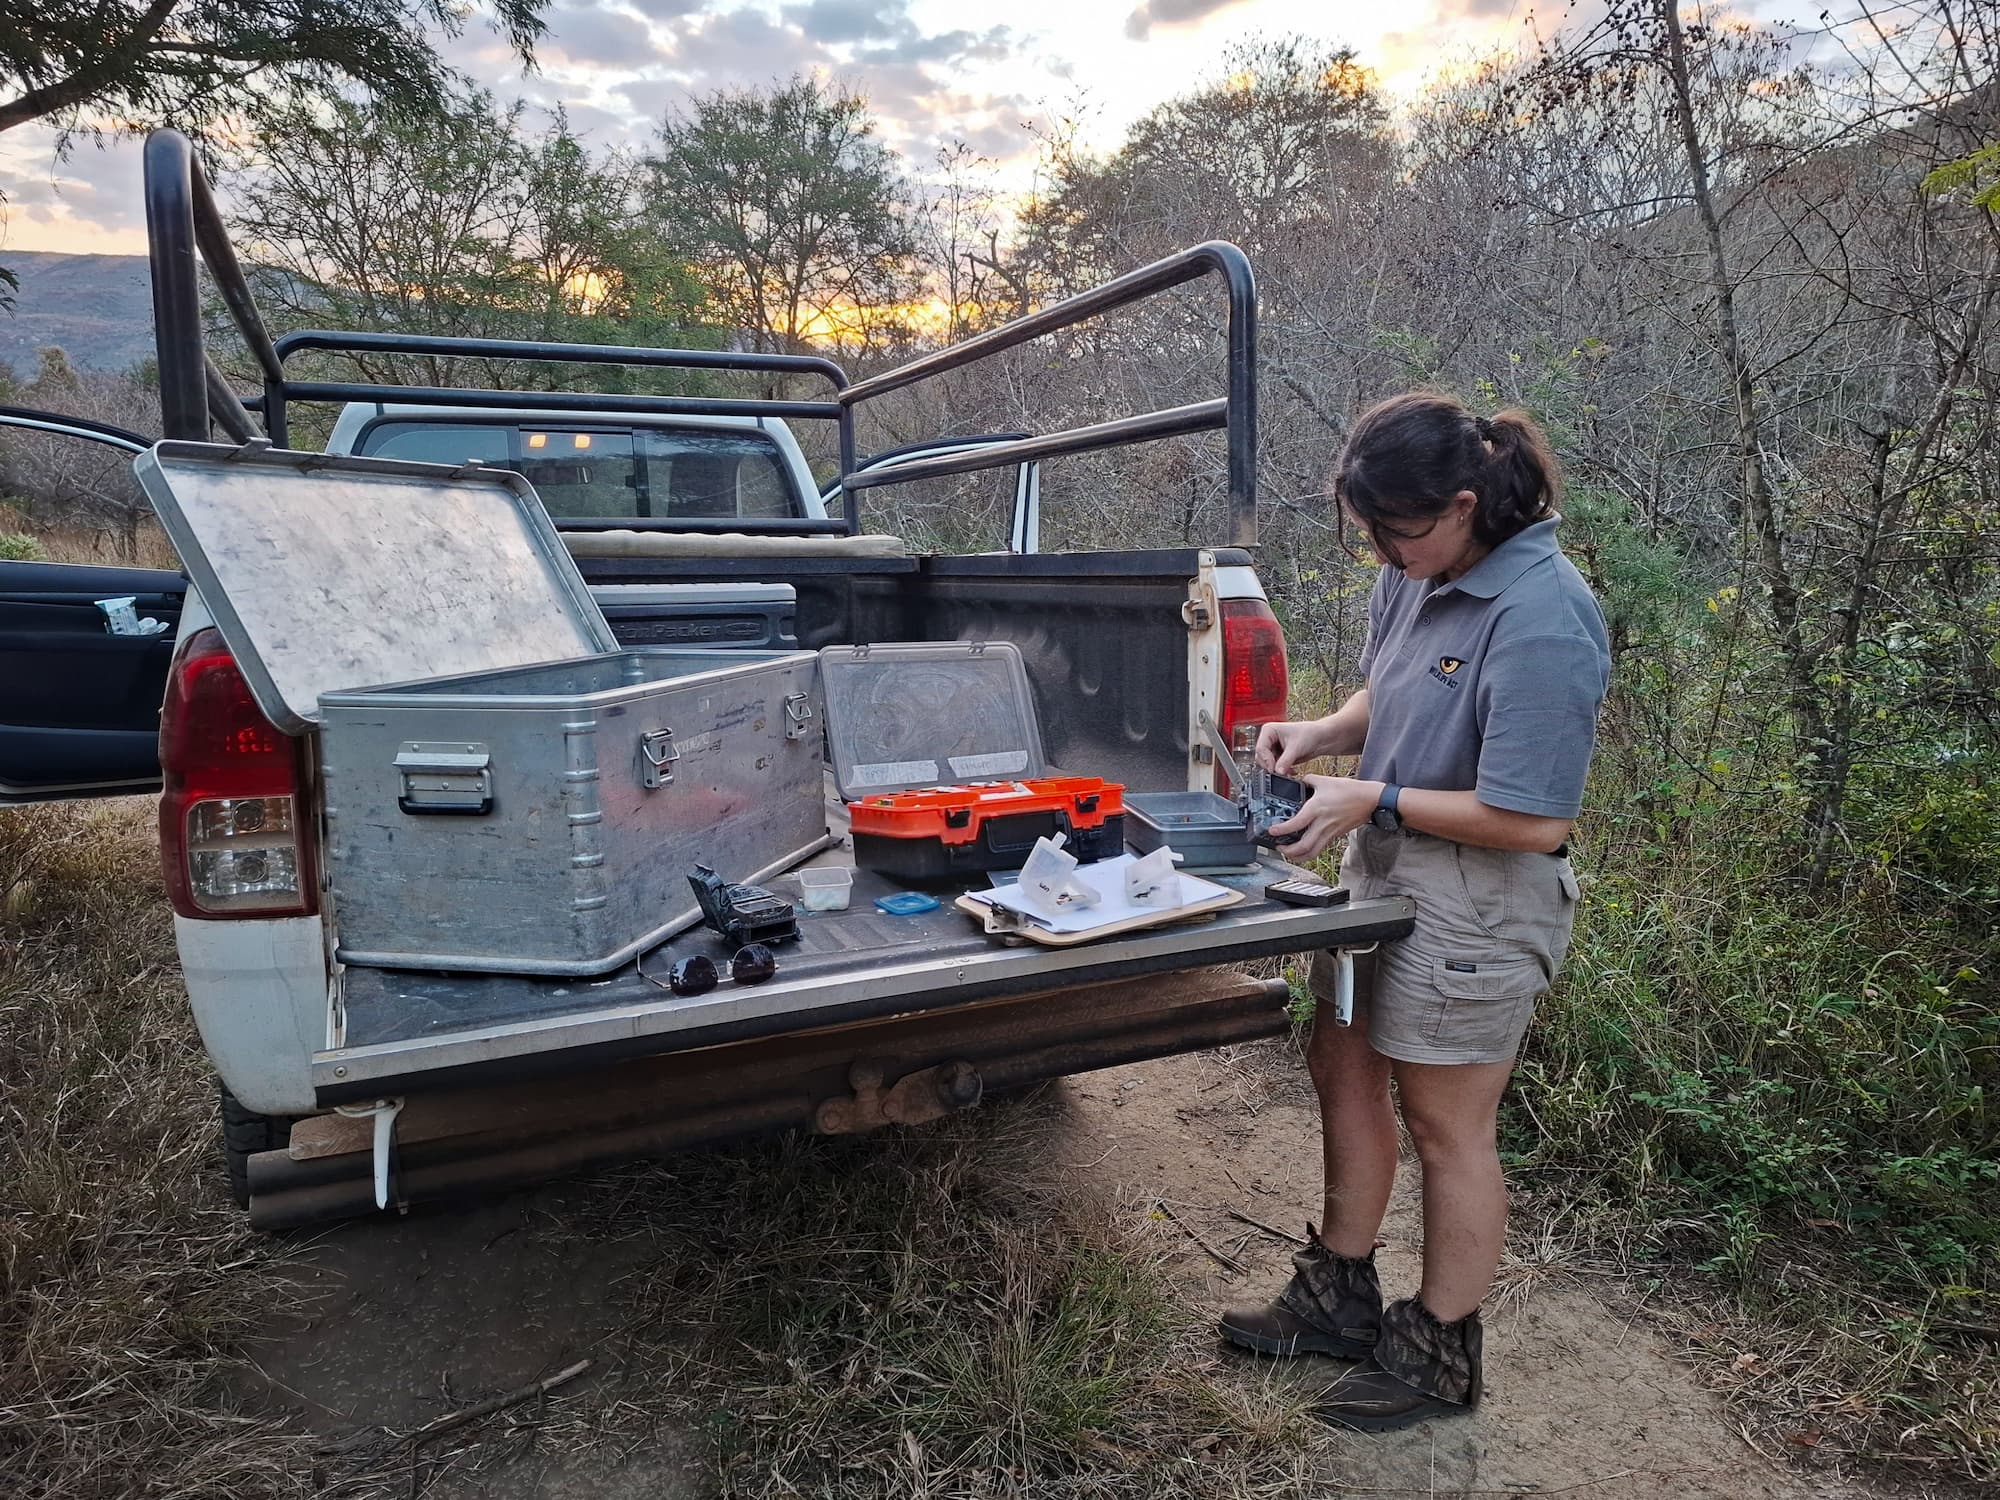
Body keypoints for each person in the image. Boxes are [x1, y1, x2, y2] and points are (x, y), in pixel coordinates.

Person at [1218, 392, 1610, 1431]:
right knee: (1339, 1062)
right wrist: (1316, 734)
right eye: (1372, 539)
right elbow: (1388, 694)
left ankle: (1437, 1350)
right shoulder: (1417, 573)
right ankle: (1337, 1295)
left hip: (1481, 897)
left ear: (1466, 504)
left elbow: (1530, 820)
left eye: (1397, 533)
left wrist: (1372, 795)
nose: (1385, 558)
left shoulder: (1543, 614)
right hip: (1382, 870)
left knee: (1445, 1123)